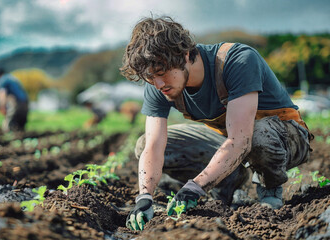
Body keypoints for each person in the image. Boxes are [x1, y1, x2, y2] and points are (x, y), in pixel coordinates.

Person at [120, 16, 313, 231]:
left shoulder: (237, 61)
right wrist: (144, 197)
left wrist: (196, 186)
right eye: (150, 77)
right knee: (144, 143)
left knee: (257, 134)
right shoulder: (159, 86)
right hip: (229, 141)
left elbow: (240, 140)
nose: (158, 84)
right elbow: (154, 146)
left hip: (286, 137)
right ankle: (229, 180)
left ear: (184, 55)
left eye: (162, 73)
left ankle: (270, 189)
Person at [0, 68, 29, 132]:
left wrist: (2, 107)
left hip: (17, 103)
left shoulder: (2, 80)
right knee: (21, 127)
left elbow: (2, 94)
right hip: (25, 102)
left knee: (8, 126)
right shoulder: (12, 78)